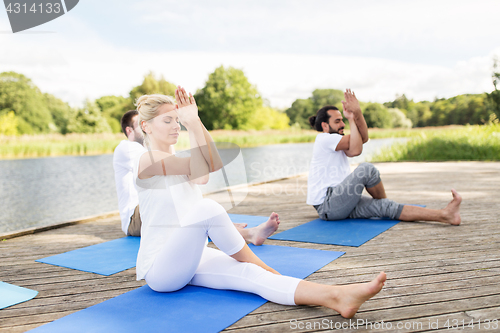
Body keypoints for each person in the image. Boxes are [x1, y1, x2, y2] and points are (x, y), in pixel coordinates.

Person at [133, 87, 386, 319]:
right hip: (161, 271)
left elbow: (208, 169)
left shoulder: (178, 160)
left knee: (250, 276)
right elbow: (204, 166)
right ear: (146, 126)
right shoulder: (147, 161)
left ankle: (336, 297)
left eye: (177, 120)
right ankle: (266, 266)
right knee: (207, 209)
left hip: (189, 258)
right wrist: (193, 123)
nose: (176, 126)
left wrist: (195, 120)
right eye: (168, 120)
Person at [113, 111, 286, 244]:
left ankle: (232, 229)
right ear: (129, 130)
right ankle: (245, 233)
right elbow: (196, 168)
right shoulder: (127, 148)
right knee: (188, 211)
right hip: (134, 218)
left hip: (153, 206)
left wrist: (194, 124)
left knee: (186, 194)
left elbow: (197, 172)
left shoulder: (157, 149)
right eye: (140, 125)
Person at [307, 89, 462, 225]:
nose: (342, 124)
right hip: (329, 205)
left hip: (341, 201)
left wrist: (357, 113)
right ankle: (385, 202)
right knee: (366, 169)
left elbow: (363, 138)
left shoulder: (336, 142)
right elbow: (356, 149)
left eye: (342, 120)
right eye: (337, 121)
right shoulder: (324, 139)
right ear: (325, 126)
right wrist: (351, 118)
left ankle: (445, 215)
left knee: (386, 207)